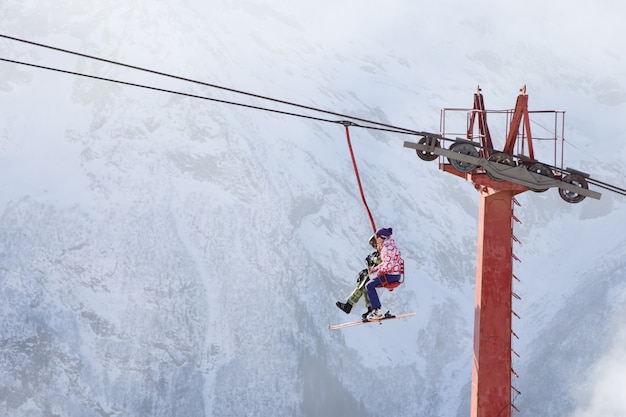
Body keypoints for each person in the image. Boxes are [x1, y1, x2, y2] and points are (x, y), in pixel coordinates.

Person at [335, 234, 382, 320]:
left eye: (374, 245)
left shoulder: (384, 250)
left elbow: (381, 260)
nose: (374, 247)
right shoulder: (379, 251)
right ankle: (369, 308)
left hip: (383, 274)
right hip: (378, 273)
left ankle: (350, 305)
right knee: (363, 281)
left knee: (365, 282)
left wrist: (372, 259)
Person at [365, 227, 403, 320]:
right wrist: (376, 269)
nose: (375, 239)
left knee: (369, 286)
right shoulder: (391, 245)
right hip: (396, 274)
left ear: (380, 237)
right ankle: (375, 309)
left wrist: (379, 271)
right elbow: (387, 262)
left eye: (376, 237)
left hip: (390, 275)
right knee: (370, 279)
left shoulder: (386, 248)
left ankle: (377, 311)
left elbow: (388, 265)